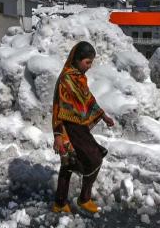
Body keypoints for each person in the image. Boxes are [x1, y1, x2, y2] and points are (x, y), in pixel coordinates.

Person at [52, 41, 115, 213]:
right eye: (87, 62)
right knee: (93, 159)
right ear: (77, 59)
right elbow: (58, 107)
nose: (89, 66)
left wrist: (103, 115)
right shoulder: (66, 79)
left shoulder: (79, 78)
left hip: (80, 128)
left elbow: (88, 99)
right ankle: (83, 199)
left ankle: (60, 203)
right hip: (68, 129)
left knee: (69, 163)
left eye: (91, 63)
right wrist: (58, 135)